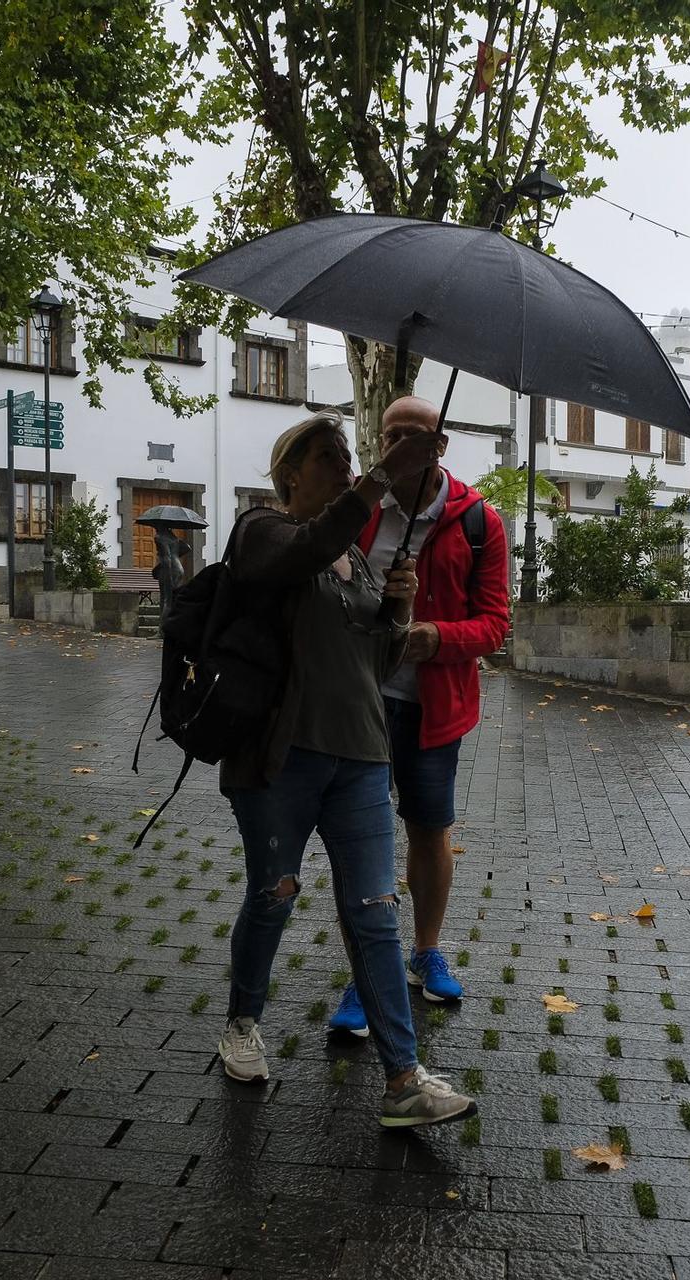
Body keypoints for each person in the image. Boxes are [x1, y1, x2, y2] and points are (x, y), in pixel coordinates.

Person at [214, 409, 475, 1130]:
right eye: (329, 457)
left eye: (348, 456)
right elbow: (307, 549)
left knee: (375, 913)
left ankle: (402, 1077)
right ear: (290, 475)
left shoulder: (354, 559)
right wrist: (388, 476)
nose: (347, 467)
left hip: (362, 756)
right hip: (281, 756)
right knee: (274, 894)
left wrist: (398, 610)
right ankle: (242, 1021)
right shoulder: (264, 532)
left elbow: (375, 663)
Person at [329, 395, 510, 1037]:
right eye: (391, 433)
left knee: (428, 830)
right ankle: (366, 969)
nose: (402, 443)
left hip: (434, 707)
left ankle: (425, 950)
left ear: (441, 444)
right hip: (357, 702)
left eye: (417, 434)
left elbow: (494, 624)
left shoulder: (478, 521)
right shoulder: (355, 509)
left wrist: (435, 638)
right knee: (362, 840)